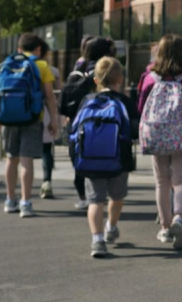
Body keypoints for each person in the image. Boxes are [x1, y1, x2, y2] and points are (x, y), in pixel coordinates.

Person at [137, 34, 182, 250]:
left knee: (161, 181)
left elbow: (140, 108)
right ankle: (179, 219)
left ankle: (165, 228)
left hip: (157, 136)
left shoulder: (149, 79)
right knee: (181, 180)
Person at [0, 33, 61, 218]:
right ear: (38, 49)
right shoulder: (42, 65)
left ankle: (9, 200)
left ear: (19, 48)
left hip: (9, 119)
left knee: (11, 159)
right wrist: (54, 120)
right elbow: (49, 96)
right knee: (26, 160)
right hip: (32, 118)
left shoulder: (7, 63)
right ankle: (25, 203)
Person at [79, 57, 138, 258]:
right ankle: (111, 227)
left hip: (91, 159)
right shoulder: (125, 102)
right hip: (119, 160)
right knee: (117, 197)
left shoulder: (87, 101)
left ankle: (97, 240)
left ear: (96, 80)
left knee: (95, 201)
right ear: (120, 79)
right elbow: (135, 130)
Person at [60, 37, 116, 210]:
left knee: (80, 158)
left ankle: (83, 196)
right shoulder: (101, 73)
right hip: (98, 123)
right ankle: (99, 196)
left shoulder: (77, 70)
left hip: (76, 122)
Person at [39, 41, 60, 199]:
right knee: (46, 150)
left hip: (26, 114)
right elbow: (55, 94)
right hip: (45, 112)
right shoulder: (52, 71)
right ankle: (47, 181)